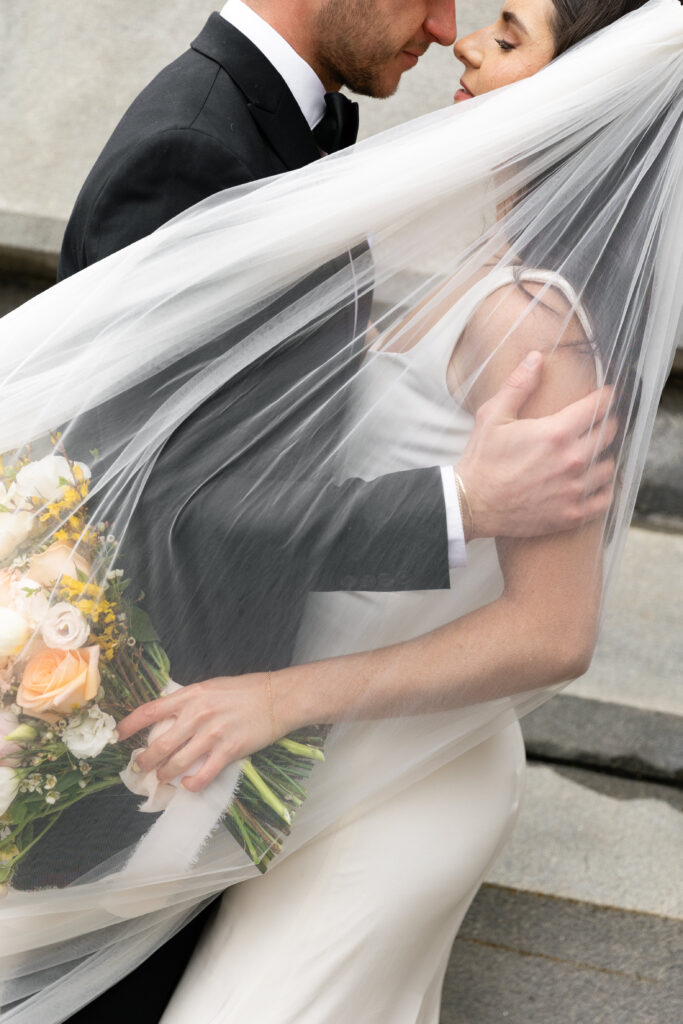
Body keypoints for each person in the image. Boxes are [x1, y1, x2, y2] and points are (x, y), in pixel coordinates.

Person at [0, 1, 679, 1022]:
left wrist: (280, 698)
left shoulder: (533, 319)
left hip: (386, 766)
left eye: (505, 35)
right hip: (306, 750)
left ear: (583, 91)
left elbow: (553, 629)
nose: (459, 39)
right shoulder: (481, 271)